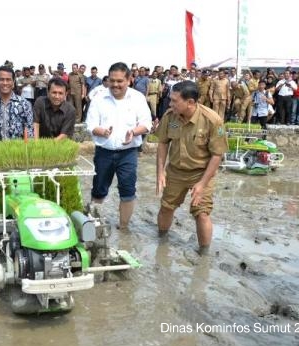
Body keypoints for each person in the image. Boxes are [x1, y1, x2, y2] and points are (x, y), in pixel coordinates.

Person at [155, 80, 228, 256]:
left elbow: (217, 155)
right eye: (170, 100)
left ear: (190, 102)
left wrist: (202, 184)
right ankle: (161, 241)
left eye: (174, 100)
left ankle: (204, 254)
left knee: (201, 213)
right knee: (166, 206)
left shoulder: (212, 120)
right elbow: (163, 144)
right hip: (175, 172)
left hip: (201, 173)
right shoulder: (169, 117)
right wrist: (160, 172)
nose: (170, 104)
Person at [85, 62, 152, 230]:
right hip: (104, 153)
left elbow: (146, 123)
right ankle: (93, 227)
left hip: (128, 153)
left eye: (120, 81)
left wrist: (134, 132)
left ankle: (123, 228)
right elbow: (90, 125)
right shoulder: (99, 98)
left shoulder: (138, 98)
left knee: (128, 191)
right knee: (98, 189)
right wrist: (102, 131)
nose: (115, 85)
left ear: (129, 80)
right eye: (112, 80)